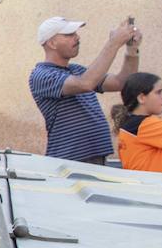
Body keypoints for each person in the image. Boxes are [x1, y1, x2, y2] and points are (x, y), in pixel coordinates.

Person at [28, 16, 142, 164]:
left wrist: (132, 50)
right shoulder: (41, 75)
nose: (77, 37)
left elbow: (121, 82)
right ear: (51, 43)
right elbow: (86, 84)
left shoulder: (76, 70)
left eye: (75, 33)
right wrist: (113, 43)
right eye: (69, 34)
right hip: (70, 160)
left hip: (91, 158)